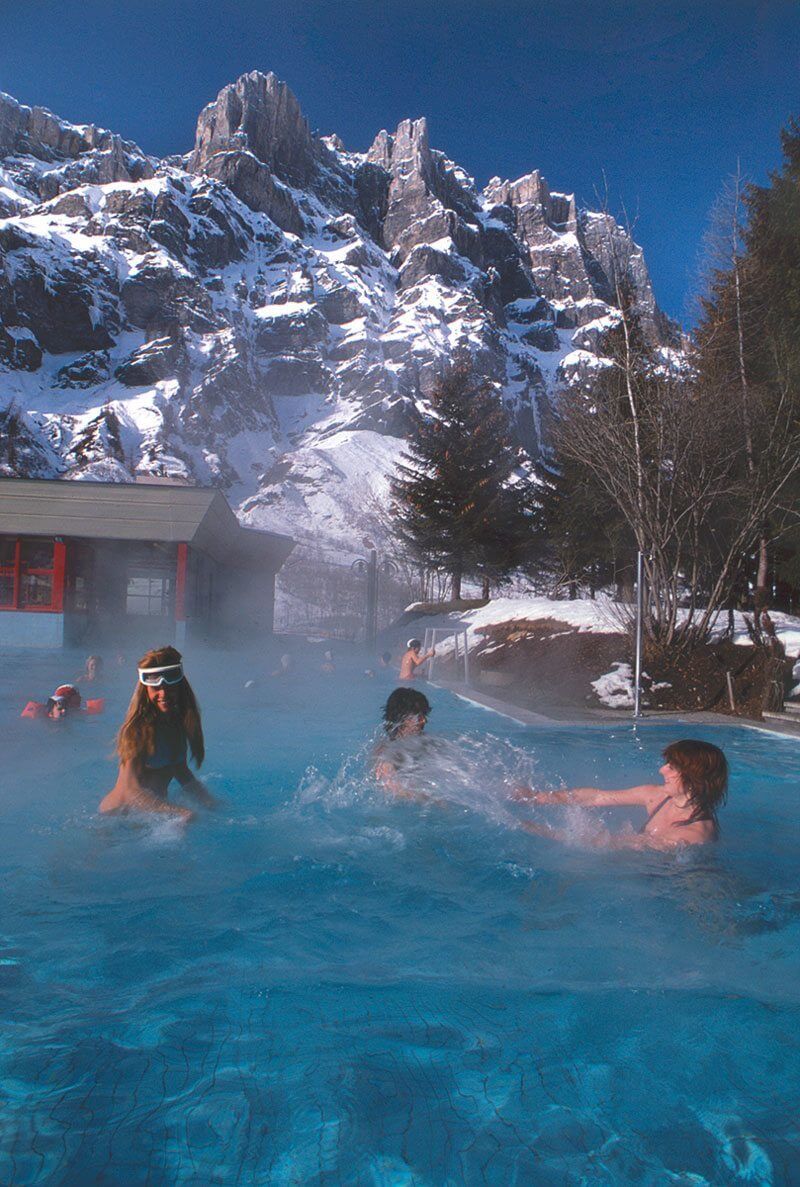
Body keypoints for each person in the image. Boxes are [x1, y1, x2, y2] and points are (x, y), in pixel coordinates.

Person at [517, 739, 728, 850]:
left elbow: (618, 845)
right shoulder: (658, 796)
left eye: (672, 767)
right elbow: (596, 797)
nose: (662, 770)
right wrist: (537, 797)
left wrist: (549, 833)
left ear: (694, 777)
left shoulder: (693, 835)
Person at [99, 646, 216, 820]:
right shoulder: (139, 729)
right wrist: (180, 812)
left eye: (170, 688)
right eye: (156, 689)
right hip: (115, 816)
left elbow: (181, 771)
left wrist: (210, 803)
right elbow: (128, 790)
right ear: (145, 690)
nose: (163, 694)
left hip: (145, 814)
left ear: (180, 687)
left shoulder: (177, 723)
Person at [374, 687, 433, 799]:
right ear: (402, 718)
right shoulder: (385, 753)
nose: (424, 721)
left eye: (424, 715)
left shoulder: (423, 741)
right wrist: (436, 801)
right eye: (419, 716)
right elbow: (392, 789)